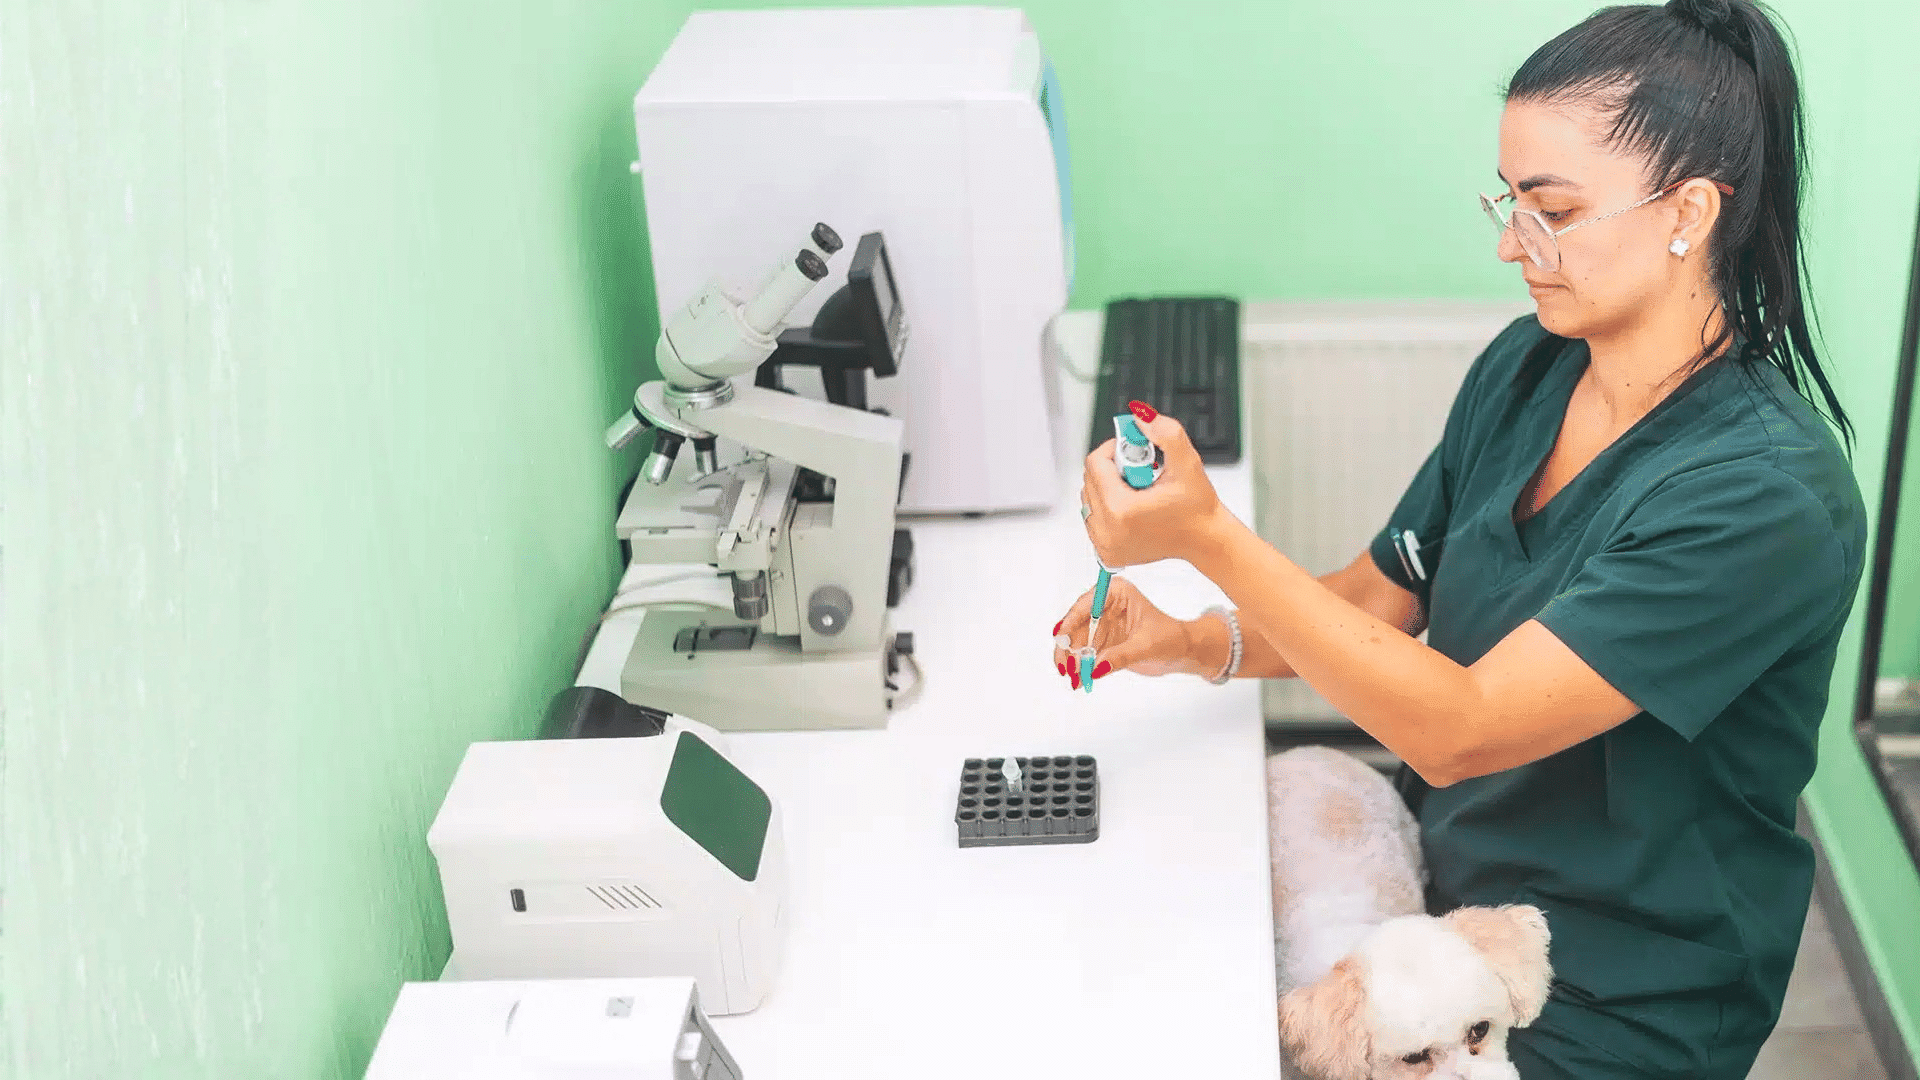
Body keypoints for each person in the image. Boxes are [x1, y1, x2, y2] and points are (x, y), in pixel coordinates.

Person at [1052, 2, 1867, 1076]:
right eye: (1509, 201)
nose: (1508, 243)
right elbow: (1387, 593)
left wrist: (1209, 537)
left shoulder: (1764, 497)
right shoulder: (1530, 369)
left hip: (1608, 998)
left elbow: (1461, 727)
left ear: (1690, 212)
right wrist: (1195, 640)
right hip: (1446, 897)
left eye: (1551, 210)